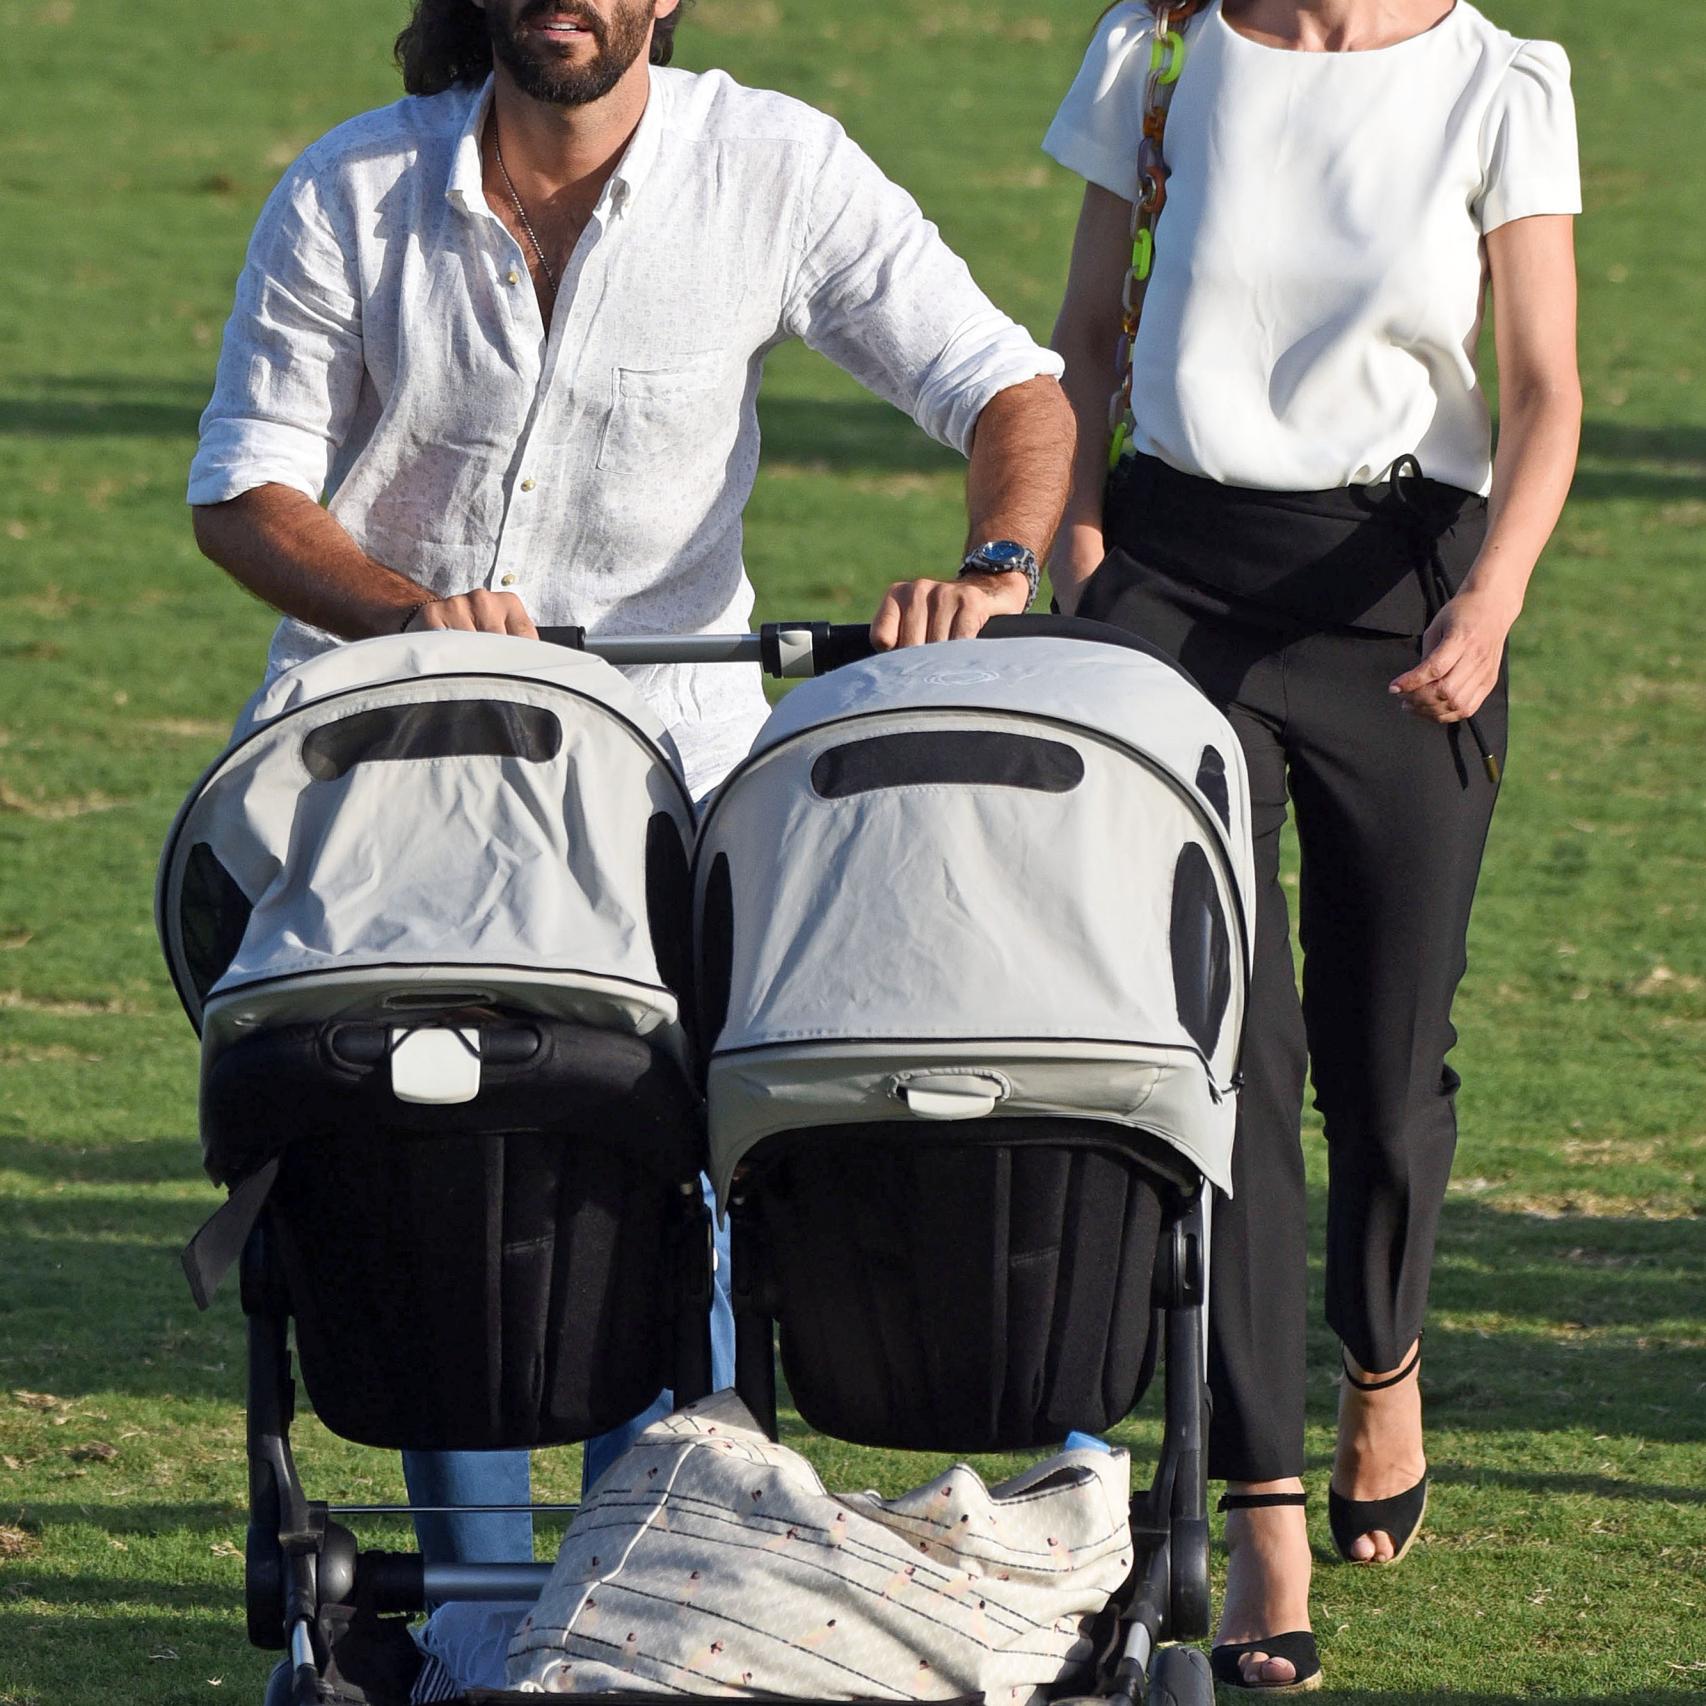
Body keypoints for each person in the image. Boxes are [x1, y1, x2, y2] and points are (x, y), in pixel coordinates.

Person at [188, 0, 1073, 1621]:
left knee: (672, 1183)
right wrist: (403, 614)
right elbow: (245, 489)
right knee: (421, 1161)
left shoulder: (776, 164)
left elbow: (1012, 390)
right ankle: (465, 1607)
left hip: (665, 787)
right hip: (393, 778)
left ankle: (639, 1594)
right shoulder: (346, 190)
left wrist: (993, 571)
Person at [1044, 0, 1580, 1689]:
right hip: (1172, 581)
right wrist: (1072, 555)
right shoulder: (1158, 50)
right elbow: (1077, 336)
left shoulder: (1502, 80)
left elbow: (1549, 388)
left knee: (1385, 1058)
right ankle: (1257, 1509)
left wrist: (1490, 602)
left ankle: (1384, 1353)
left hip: (1402, 587)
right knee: (1223, 1055)